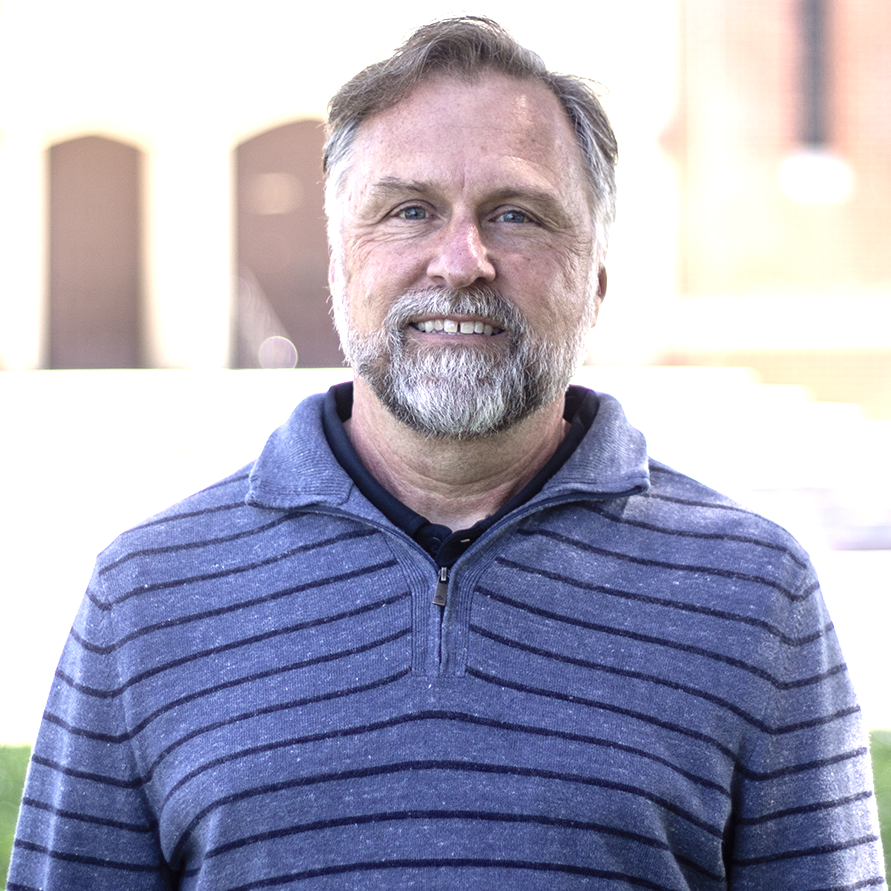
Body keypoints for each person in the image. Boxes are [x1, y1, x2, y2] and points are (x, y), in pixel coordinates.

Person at [8, 16, 886, 891]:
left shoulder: (755, 592)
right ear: (338, 262)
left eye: (516, 214)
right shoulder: (147, 592)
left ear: (598, 280)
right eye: (409, 210)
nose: (460, 261)